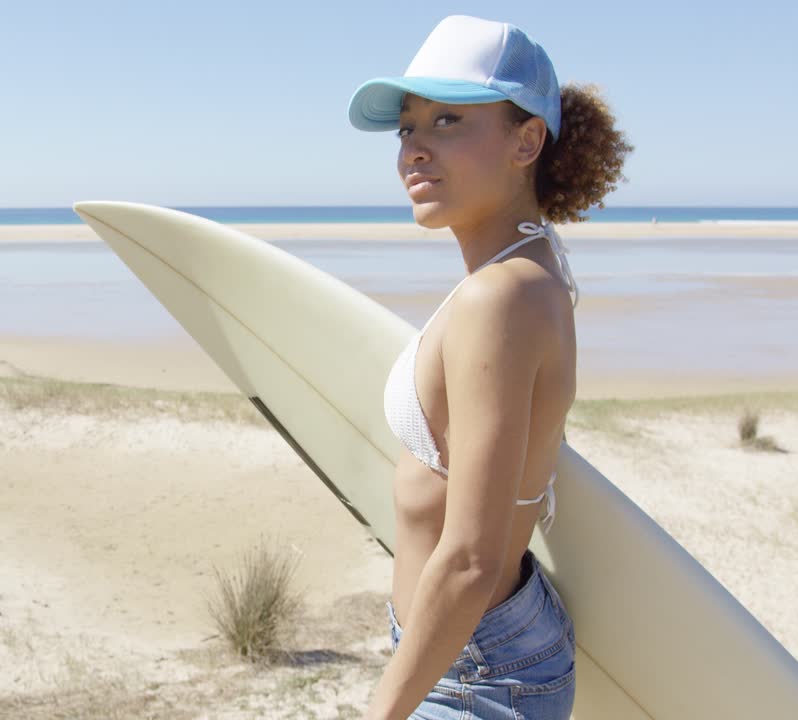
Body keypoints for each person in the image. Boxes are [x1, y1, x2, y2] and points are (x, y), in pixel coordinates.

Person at [347, 15, 631, 720]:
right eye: (406, 127)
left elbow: (471, 557)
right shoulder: (533, 269)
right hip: (476, 651)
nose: (414, 148)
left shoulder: (499, 297)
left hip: (474, 671)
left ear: (526, 140)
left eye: (447, 120)